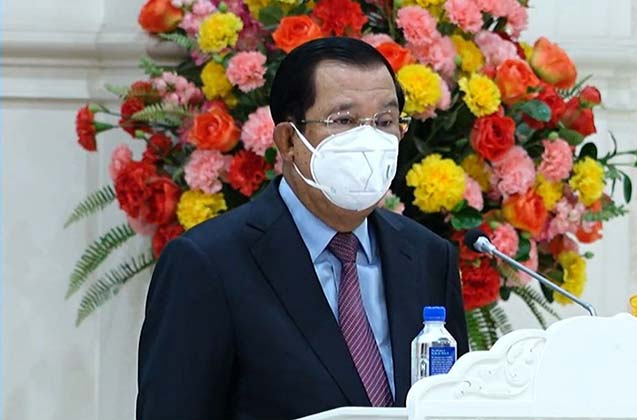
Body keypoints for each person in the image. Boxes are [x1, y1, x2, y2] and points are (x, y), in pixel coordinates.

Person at [136, 37, 469, 420]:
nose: (369, 141)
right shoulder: (209, 263)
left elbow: (457, 404)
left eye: (384, 122)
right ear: (289, 140)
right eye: (343, 121)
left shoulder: (428, 257)